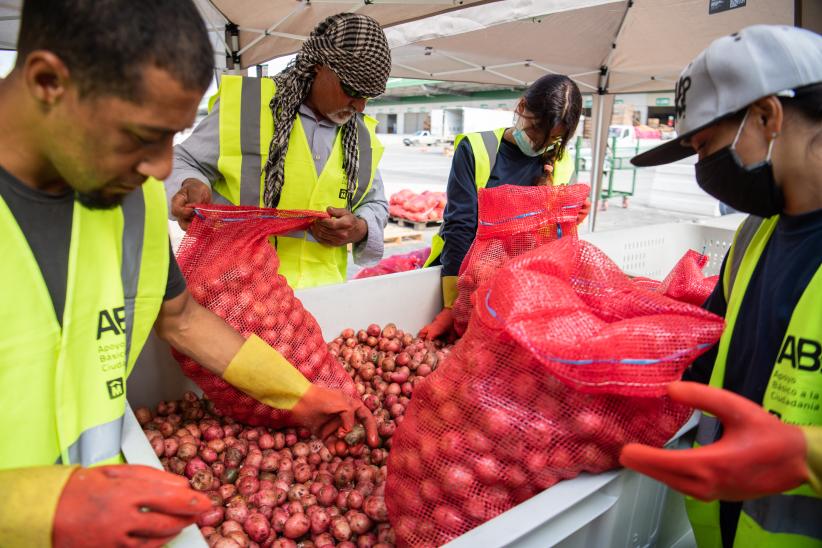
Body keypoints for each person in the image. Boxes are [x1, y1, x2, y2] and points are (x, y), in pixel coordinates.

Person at [0, 2, 376, 546]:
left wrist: (297, 394)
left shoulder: (134, 202)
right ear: (47, 81)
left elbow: (180, 319)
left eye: (173, 137)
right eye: (142, 134)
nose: (160, 168)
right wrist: (41, 505)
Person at [620, 25, 822, 547]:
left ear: (767, 116)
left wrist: (804, 454)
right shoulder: (756, 232)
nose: (704, 170)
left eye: (706, 146)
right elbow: (704, 351)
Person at [168, 13, 391, 289]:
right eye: (351, 90)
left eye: (368, 96)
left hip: (324, 298)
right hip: (238, 293)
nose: (360, 106)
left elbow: (376, 203)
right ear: (318, 66)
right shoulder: (247, 106)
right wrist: (190, 183)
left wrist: (360, 227)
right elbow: (183, 160)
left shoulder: (362, 136)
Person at [418, 74, 590, 340]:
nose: (540, 145)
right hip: (465, 277)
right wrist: (453, 303)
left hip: (520, 291)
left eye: (552, 140)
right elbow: (460, 227)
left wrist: (571, 218)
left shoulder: (562, 161)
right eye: (535, 132)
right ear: (521, 107)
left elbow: (549, 240)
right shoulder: (477, 148)